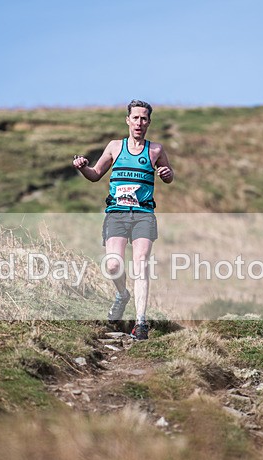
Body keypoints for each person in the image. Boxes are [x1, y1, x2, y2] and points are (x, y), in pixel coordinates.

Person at [72, 99, 174, 340]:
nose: (139, 122)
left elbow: (168, 177)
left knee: (141, 263)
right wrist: (82, 167)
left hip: (143, 215)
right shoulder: (115, 147)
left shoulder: (155, 150)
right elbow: (95, 175)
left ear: (149, 122)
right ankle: (122, 295)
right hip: (116, 213)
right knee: (113, 265)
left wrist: (168, 174)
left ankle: (140, 322)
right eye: (135, 118)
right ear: (128, 120)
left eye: (144, 118)